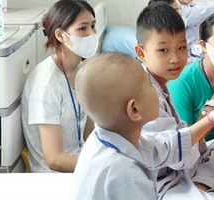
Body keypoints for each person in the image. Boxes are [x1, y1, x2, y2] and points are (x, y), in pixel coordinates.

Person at [134, 2, 214, 198]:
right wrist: (213, 115)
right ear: (141, 53)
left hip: (181, 160)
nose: (175, 58)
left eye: (181, 47)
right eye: (164, 50)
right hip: (161, 174)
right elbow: (172, 150)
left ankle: (204, 186)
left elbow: (183, 134)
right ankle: (212, 188)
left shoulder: (161, 82)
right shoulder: (152, 90)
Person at [72, 52, 177, 199]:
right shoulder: (125, 173)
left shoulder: (101, 138)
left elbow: (161, 148)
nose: (156, 89)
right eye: (150, 85)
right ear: (134, 109)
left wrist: (211, 119)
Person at [21, 0, 97, 172]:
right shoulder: (47, 84)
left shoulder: (81, 71)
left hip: (80, 162)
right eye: (82, 28)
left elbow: (89, 133)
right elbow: (55, 159)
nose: (92, 34)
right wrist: (98, 167)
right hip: (55, 177)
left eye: (93, 26)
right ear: (60, 35)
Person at [168, 12, 214, 142]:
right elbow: (185, 144)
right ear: (204, 46)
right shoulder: (183, 82)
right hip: (203, 156)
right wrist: (213, 105)